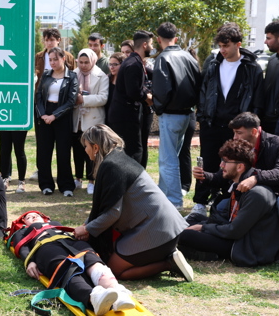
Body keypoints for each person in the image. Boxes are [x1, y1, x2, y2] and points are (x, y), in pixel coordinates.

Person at [73, 124, 194, 282]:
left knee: (115, 270)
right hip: (164, 230)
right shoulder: (117, 159)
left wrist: (87, 229)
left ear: (95, 147)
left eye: (86, 146)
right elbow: (106, 206)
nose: (85, 150)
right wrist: (87, 225)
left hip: (159, 232)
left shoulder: (112, 166)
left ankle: (168, 263)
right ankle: (164, 256)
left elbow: (112, 213)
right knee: (111, 253)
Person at [194, 112, 279, 263]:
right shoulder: (242, 146)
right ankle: (232, 238)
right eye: (234, 133)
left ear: (254, 131)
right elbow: (225, 176)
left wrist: (255, 178)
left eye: (239, 133)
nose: (235, 137)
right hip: (258, 198)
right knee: (223, 204)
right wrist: (205, 176)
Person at [190, 22, 264, 223]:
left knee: (233, 165)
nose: (222, 50)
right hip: (211, 123)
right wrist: (203, 116)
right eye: (220, 46)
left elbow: (257, 98)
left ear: (238, 44)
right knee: (207, 161)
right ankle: (199, 203)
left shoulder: (252, 68)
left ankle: (225, 203)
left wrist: (250, 125)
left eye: (226, 46)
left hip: (238, 128)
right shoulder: (213, 65)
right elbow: (204, 91)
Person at [179, 139, 279, 266]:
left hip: (244, 246)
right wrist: (203, 225)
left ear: (240, 167)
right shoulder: (238, 183)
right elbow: (228, 221)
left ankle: (199, 251)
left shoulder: (256, 194)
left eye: (225, 162)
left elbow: (234, 231)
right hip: (234, 235)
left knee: (185, 235)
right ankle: (200, 251)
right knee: (193, 218)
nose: (221, 165)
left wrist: (203, 228)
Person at [14, 211, 135, 316]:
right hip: (46, 246)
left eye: (36, 215)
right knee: (67, 269)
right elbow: (22, 247)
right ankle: (93, 297)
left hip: (71, 241)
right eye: (29, 217)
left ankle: (117, 293)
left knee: (94, 262)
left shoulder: (55, 224)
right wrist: (30, 262)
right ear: (24, 222)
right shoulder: (22, 231)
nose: (34, 217)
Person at [152, 22, 202, 208]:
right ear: (176, 37)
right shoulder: (189, 57)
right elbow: (199, 84)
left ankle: (174, 201)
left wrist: (158, 108)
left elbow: (162, 90)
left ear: (158, 39)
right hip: (187, 114)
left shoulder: (163, 58)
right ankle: (164, 195)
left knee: (168, 160)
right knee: (170, 157)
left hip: (171, 114)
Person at [35, 46, 78, 196]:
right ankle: (46, 185)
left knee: (63, 152)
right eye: (50, 60)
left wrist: (54, 116)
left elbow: (71, 101)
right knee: (44, 152)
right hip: (45, 116)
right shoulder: (46, 75)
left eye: (55, 59)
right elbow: (38, 96)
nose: (52, 62)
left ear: (63, 59)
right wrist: (43, 115)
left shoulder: (72, 76)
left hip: (62, 117)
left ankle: (66, 186)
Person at [109, 30, 153, 164]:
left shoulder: (133, 61)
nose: (152, 47)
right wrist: (147, 97)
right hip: (126, 117)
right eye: (151, 44)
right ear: (144, 45)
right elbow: (133, 91)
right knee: (134, 152)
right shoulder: (134, 64)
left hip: (124, 115)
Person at [72, 48, 108, 194]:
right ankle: (78, 178)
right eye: (80, 62)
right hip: (77, 118)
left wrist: (83, 99)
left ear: (93, 61)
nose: (83, 65)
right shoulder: (73, 74)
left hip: (93, 118)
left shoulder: (101, 76)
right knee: (77, 151)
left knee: (92, 152)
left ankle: (92, 180)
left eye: (86, 62)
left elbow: (103, 98)